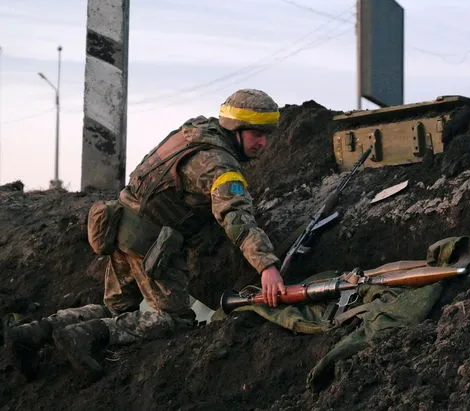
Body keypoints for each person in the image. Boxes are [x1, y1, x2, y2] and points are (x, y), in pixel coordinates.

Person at [5, 89, 287, 380]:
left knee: (117, 309)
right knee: (175, 320)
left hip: (118, 223)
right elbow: (236, 217)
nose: (263, 143)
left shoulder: (194, 132)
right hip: (150, 244)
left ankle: (33, 333)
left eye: (267, 134)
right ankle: (84, 335)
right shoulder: (220, 166)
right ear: (235, 129)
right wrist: (266, 266)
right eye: (256, 134)